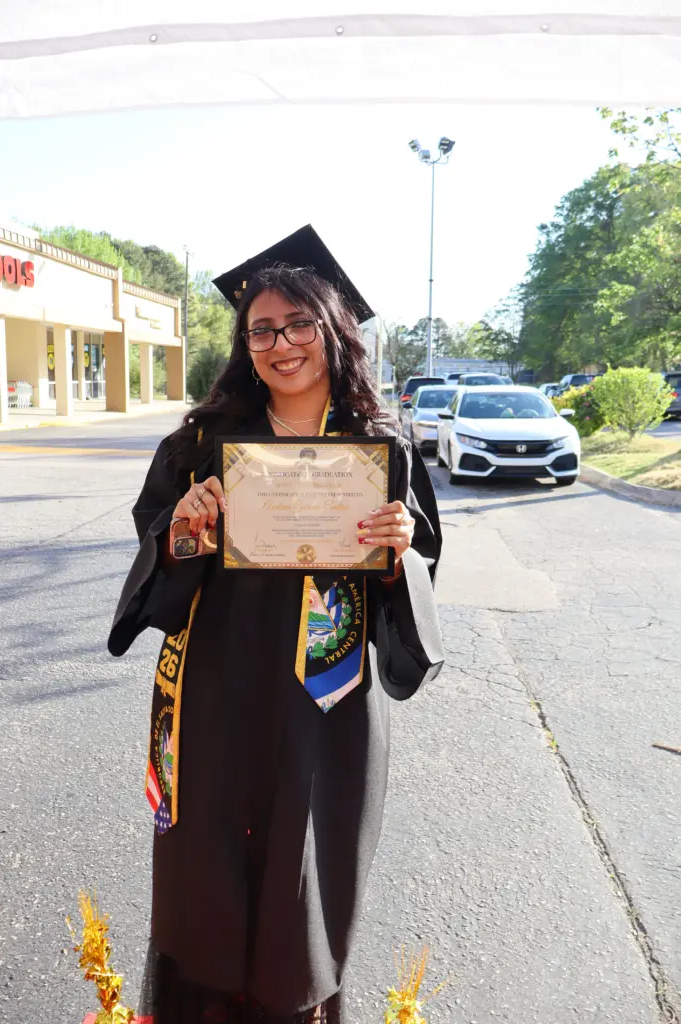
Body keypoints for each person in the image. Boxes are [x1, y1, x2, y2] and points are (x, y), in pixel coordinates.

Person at [108, 225, 444, 1024]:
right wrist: (184, 529)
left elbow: (419, 582)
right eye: (261, 329)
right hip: (214, 692)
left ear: (333, 330)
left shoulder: (380, 450)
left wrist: (401, 555)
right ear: (243, 343)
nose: (280, 344)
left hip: (322, 704)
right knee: (206, 880)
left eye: (298, 324)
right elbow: (156, 572)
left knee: (305, 882)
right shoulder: (199, 442)